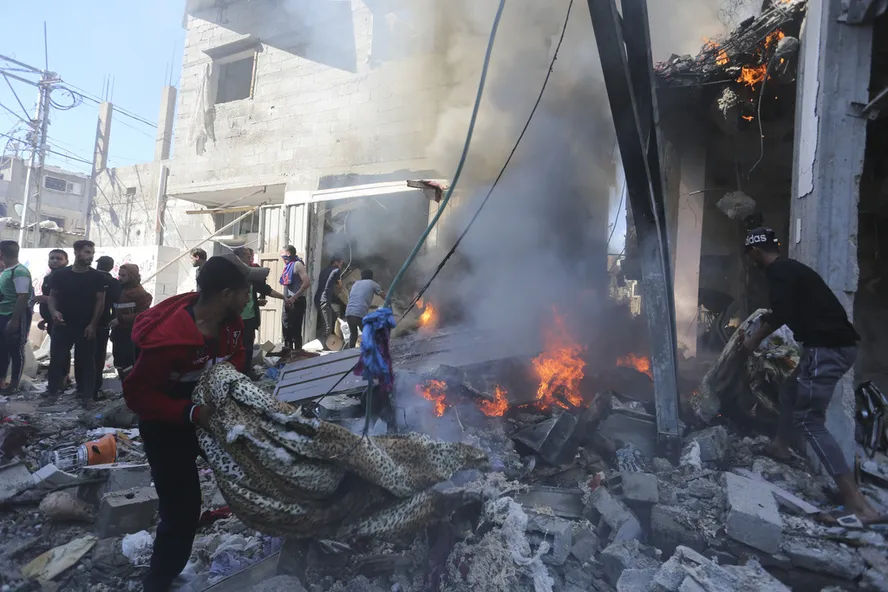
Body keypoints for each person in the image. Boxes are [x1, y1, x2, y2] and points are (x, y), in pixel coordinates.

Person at [123, 255, 262, 592]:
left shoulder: (232, 325)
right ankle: (159, 580)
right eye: (246, 291)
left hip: (211, 419)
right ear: (226, 294)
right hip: (167, 427)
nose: (250, 297)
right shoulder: (167, 339)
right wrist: (192, 413)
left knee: (259, 472)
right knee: (182, 509)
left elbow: (236, 362)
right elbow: (138, 396)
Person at [742, 227, 880, 523]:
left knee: (809, 420)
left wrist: (753, 340)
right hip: (830, 346)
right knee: (790, 390)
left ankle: (858, 505)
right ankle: (780, 445)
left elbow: (781, 313)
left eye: (750, 255)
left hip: (826, 350)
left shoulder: (778, 272)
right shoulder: (791, 268)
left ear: (754, 252)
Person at [47, 240, 106, 401]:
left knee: (86, 362)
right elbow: (52, 297)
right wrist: (54, 312)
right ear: (76, 252)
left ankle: (86, 396)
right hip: (63, 325)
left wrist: (93, 324)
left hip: (85, 326)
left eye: (92, 253)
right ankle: (52, 393)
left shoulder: (97, 277)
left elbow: (100, 302)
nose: (90, 256)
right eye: (87, 252)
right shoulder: (60, 275)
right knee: (57, 360)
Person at [232, 247, 282, 377]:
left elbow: (265, 289)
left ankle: (248, 372)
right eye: (247, 256)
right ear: (238, 258)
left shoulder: (251, 275)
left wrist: (284, 298)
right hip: (235, 318)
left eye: (250, 256)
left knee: (248, 347)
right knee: (235, 347)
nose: (250, 259)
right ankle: (236, 373)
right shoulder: (231, 276)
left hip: (250, 318)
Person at [0, 240, 34, 395]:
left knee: (15, 350)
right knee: (3, 350)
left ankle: (13, 385)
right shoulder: (6, 271)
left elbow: (22, 297)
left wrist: (14, 320)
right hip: (3, 315)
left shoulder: (19, 271)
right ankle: (2, 382)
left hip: (14, 317)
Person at [35, 249, 71, 389]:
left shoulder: (67, 277)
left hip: (62, 320)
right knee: (56, 351)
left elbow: (64, 299)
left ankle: (63, 379)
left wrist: (45, 299)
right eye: (52, 258)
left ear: (66, 261)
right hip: (51, 320)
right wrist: (45, 319)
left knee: (61, 351)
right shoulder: (49, 277)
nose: (55, 261)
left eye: (59, 258)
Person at [110, 263, 152, 381]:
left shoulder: (141, 294)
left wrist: (121, 319)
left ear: (132, 276)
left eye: (124, 275)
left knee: (128, 361)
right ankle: (124, 382)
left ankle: (130, 384)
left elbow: (142, 314)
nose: (120, 278)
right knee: (118, 360)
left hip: (130, 331)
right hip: (118, 330)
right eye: (119, 274)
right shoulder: (119, 290)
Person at [95, 256, 122, 396]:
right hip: (104, 322)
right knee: (99, 355)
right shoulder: (115, 283)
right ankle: (95, 387)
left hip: (85, 322)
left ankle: (84, 388)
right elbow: (117, 303)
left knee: (85, 355)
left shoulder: (91, 277)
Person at [344, 269, 386, 349]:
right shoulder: (372, 283)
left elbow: (356, 300)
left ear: (361, 276)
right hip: (359, 313)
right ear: (372, 276)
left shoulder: (355, 284)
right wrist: (391, 302)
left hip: (349, 312)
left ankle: (349, 352)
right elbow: (384, 296)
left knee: (353, 334)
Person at [279, 245, 310, 350]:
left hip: (297, 301)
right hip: (288, 300)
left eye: (282, 253)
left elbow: (306, 283)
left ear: (288, 253)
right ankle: (288, 352)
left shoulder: (297, 265)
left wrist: (294, 297)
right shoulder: (288, 266)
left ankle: (297, 354)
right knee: (286, 328)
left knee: (295, 330)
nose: (281, 256)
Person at [315, 255, 344, 350]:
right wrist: (340, 291)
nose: (341, 266)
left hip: (318, 298)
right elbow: (340, 285)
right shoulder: (336, 271)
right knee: (327, 326)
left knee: (333, 317)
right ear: (335, 262)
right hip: (324, 300)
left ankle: (329, 340)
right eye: (340, 264)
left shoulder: (324, 270)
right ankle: (325, 346)